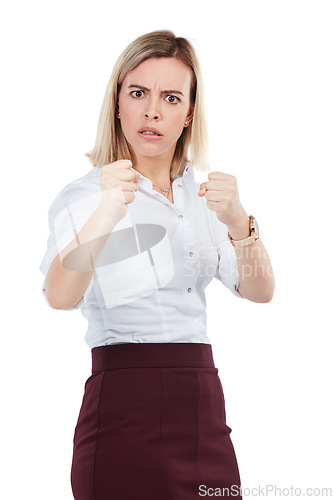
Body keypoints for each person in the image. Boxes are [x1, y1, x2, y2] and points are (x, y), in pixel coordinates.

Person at [39, 30, 275, 500]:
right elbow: (59, 297)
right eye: (138, 93)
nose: (152, 111)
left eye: (170, 98)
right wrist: (107, 212)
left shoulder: (207, 197)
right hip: (124, 404)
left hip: (203, 405)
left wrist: (238, 221)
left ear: (188, 113)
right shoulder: (85, 196)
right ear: (118, 102)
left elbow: (260, 291)